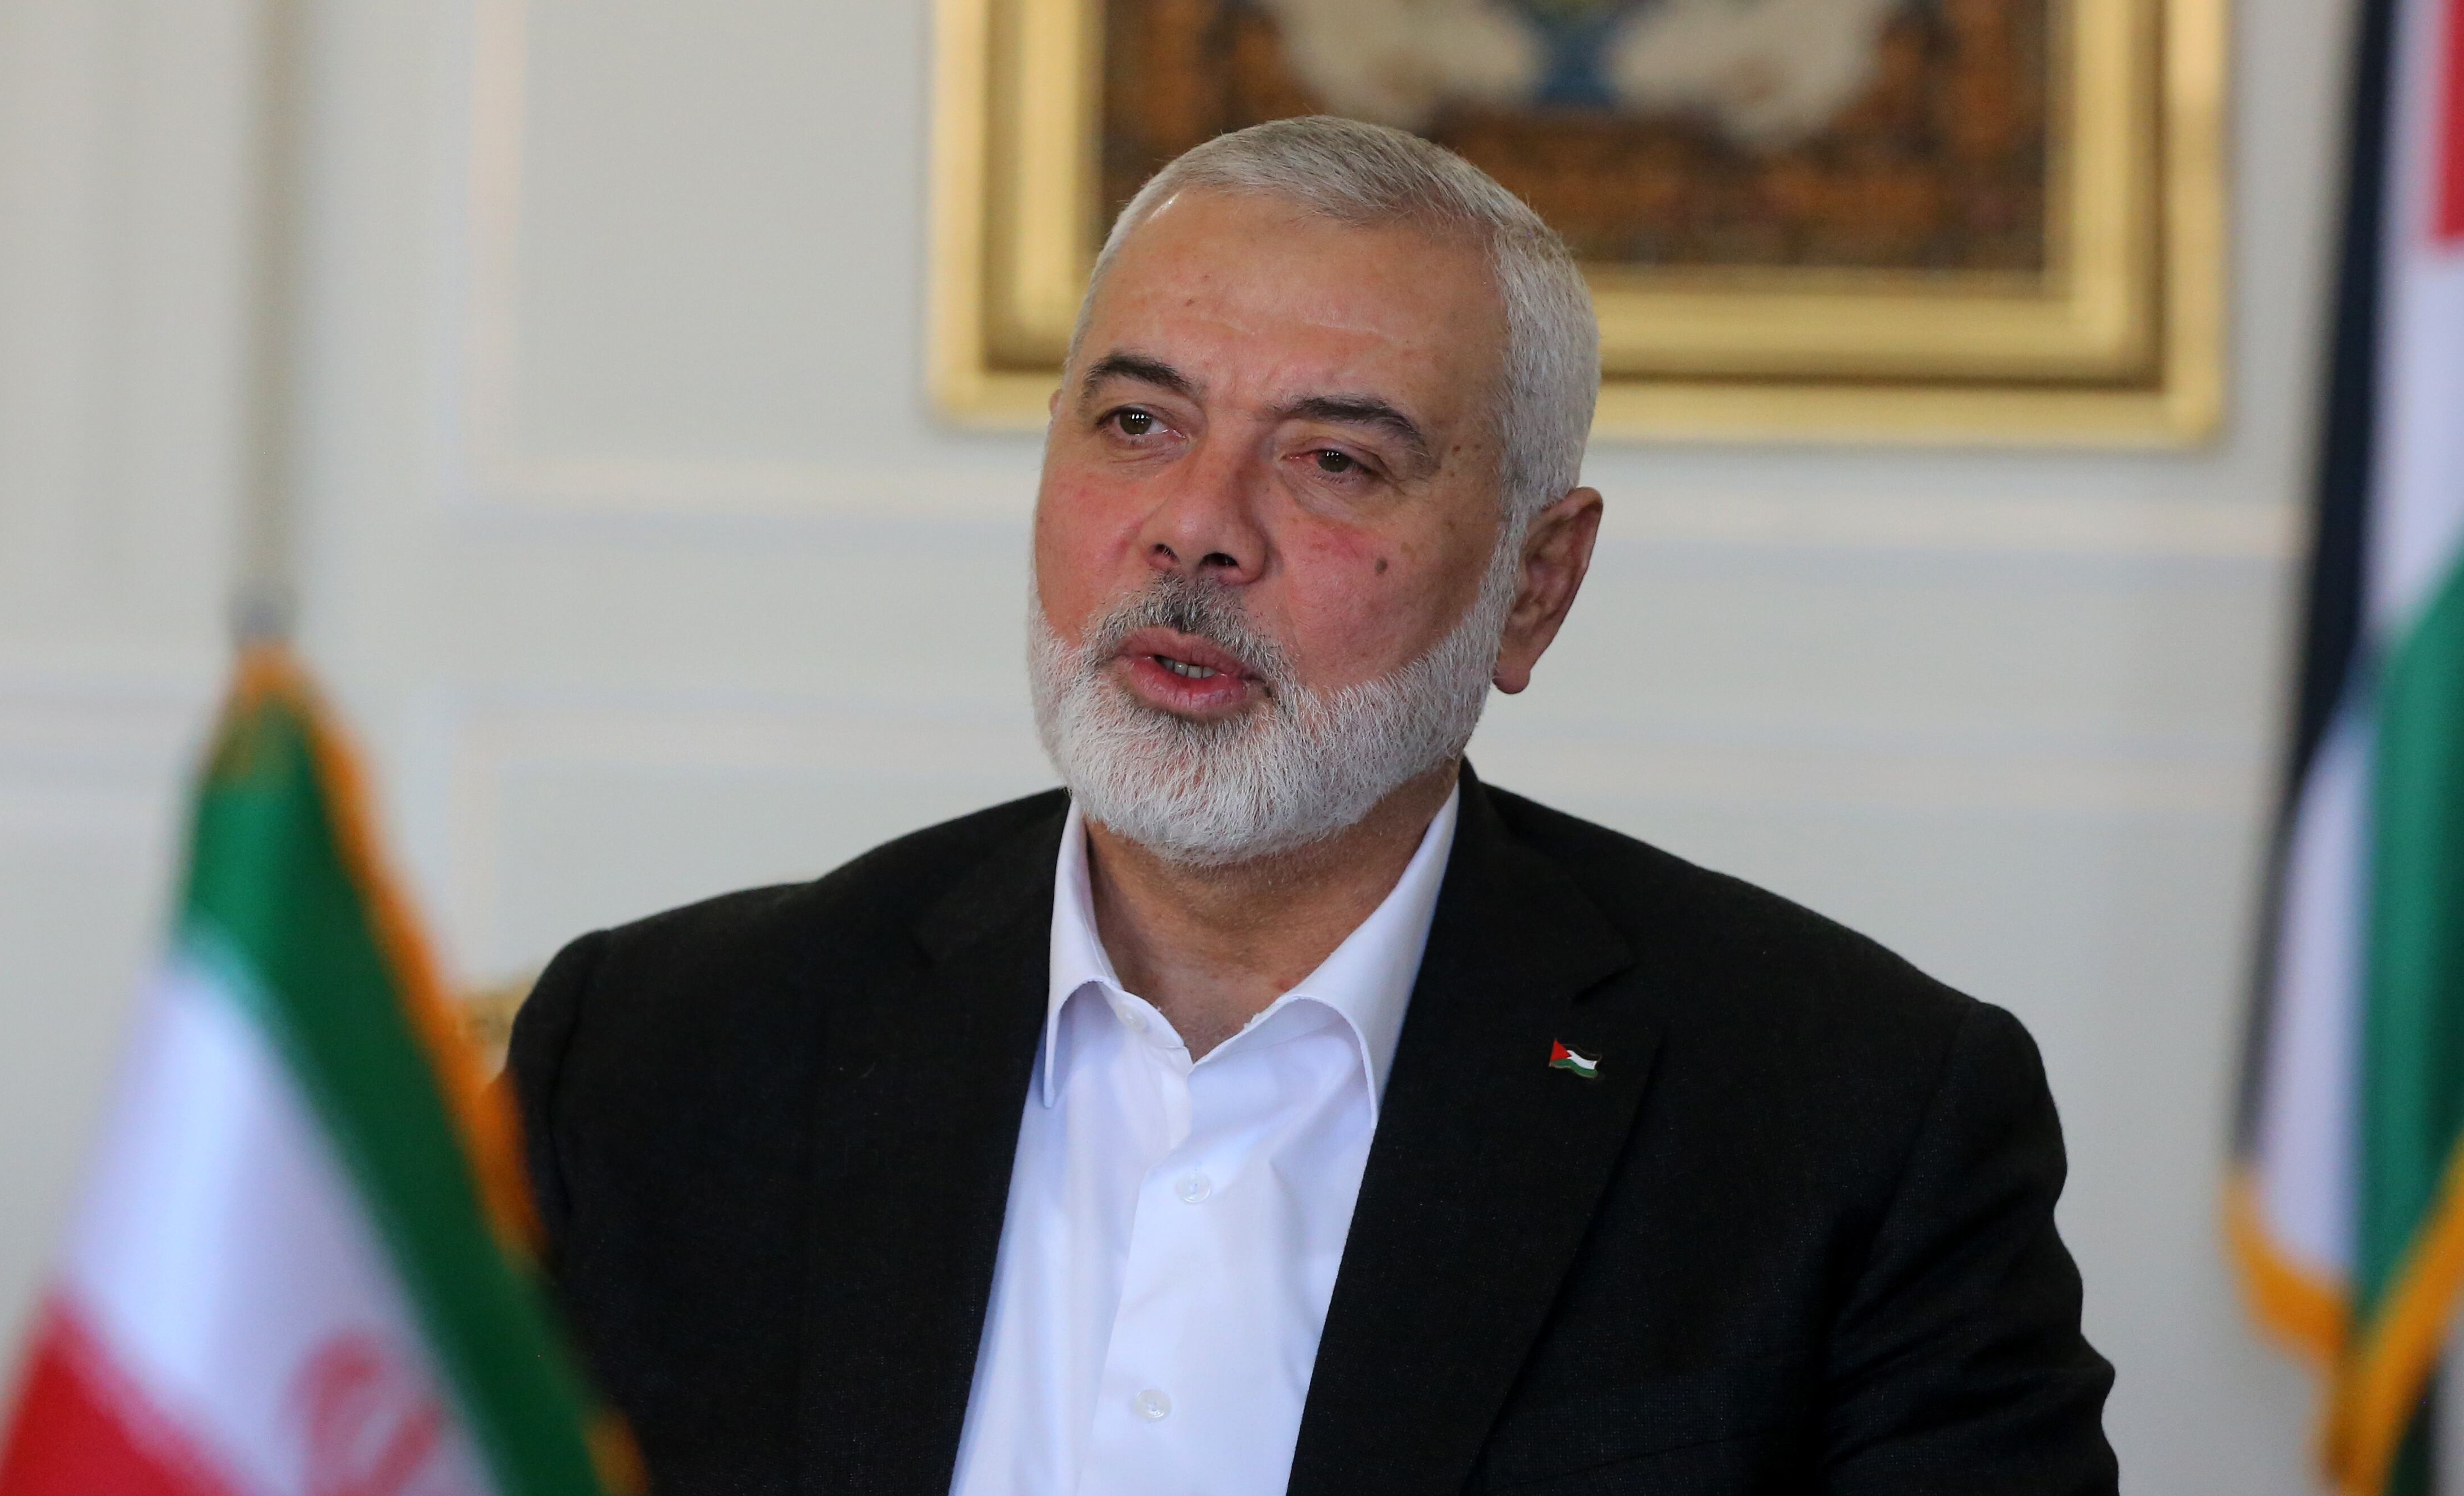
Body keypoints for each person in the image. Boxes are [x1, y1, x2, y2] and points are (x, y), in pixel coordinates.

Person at [507, 116, 2116, 1494]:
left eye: (1335, 461)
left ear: (1534, 586)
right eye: (1136, 425)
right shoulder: (655, 1058)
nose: (1194, 529)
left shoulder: (1855, 1125)